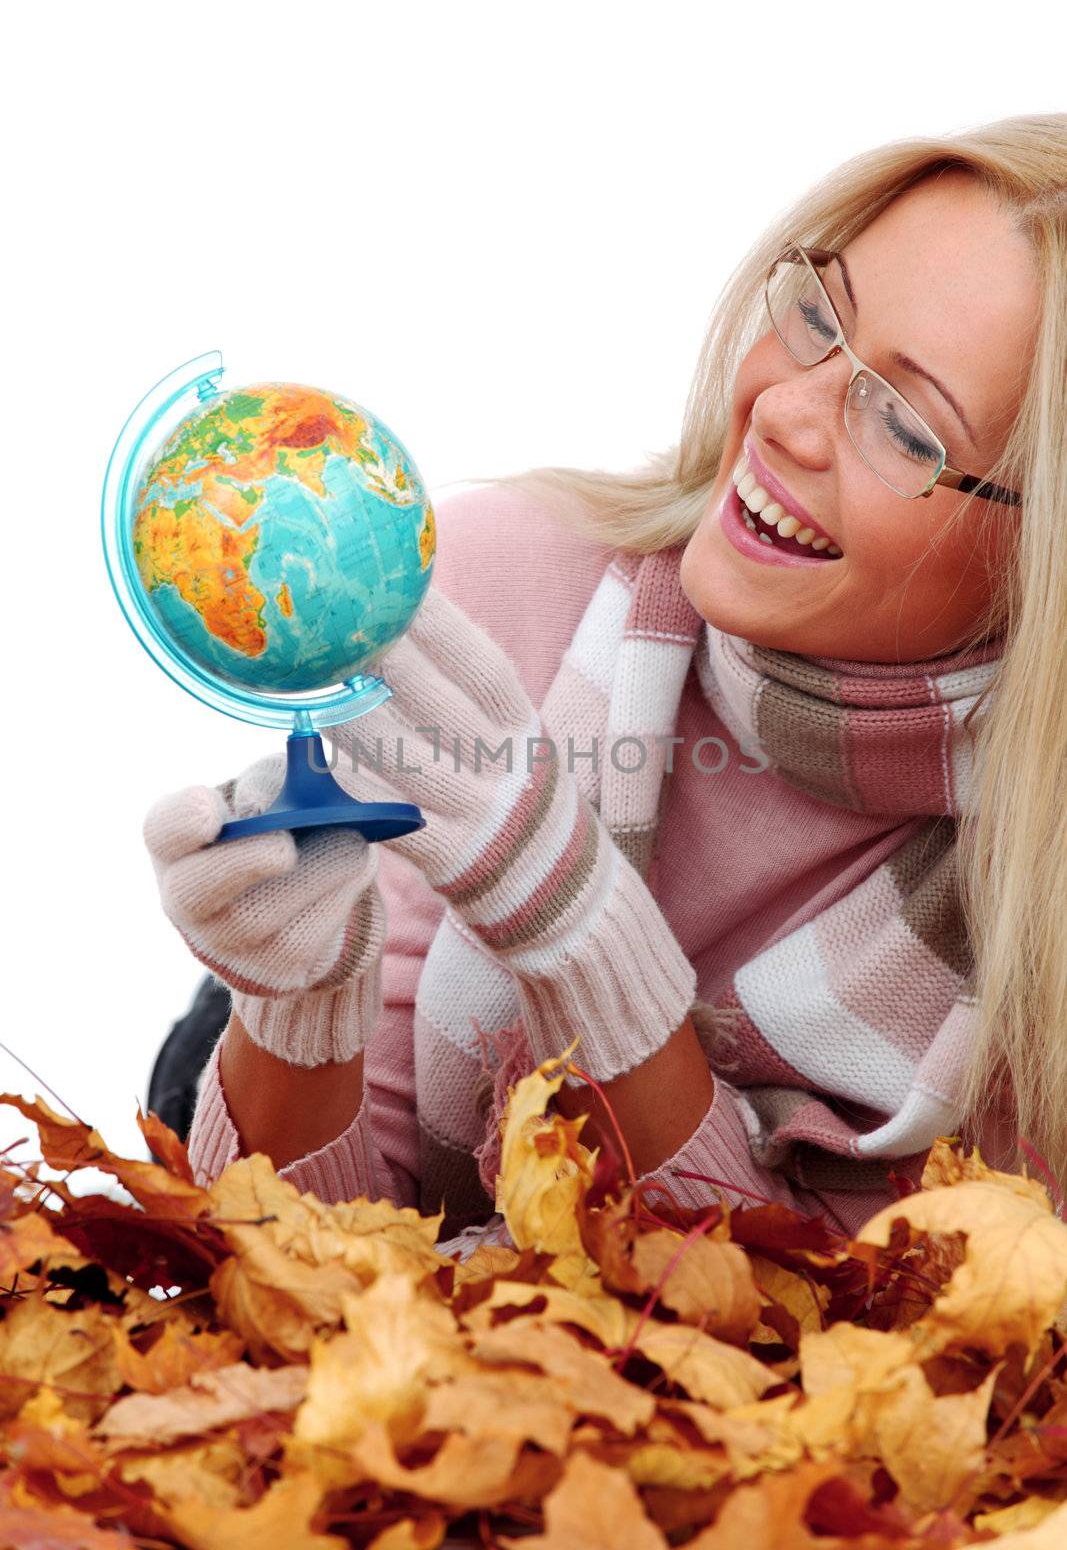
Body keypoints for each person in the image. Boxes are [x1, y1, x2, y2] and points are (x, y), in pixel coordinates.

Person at [144, 113, 1066, 1247]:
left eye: (901, 422)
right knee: (199, 1061)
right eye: (818, 316)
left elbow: (823, 1365)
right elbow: (306, 1277)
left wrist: (577, 929)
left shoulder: (1036, 917)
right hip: (348, 1215)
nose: (783, 413)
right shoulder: (497, 589)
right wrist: (295, 1005)